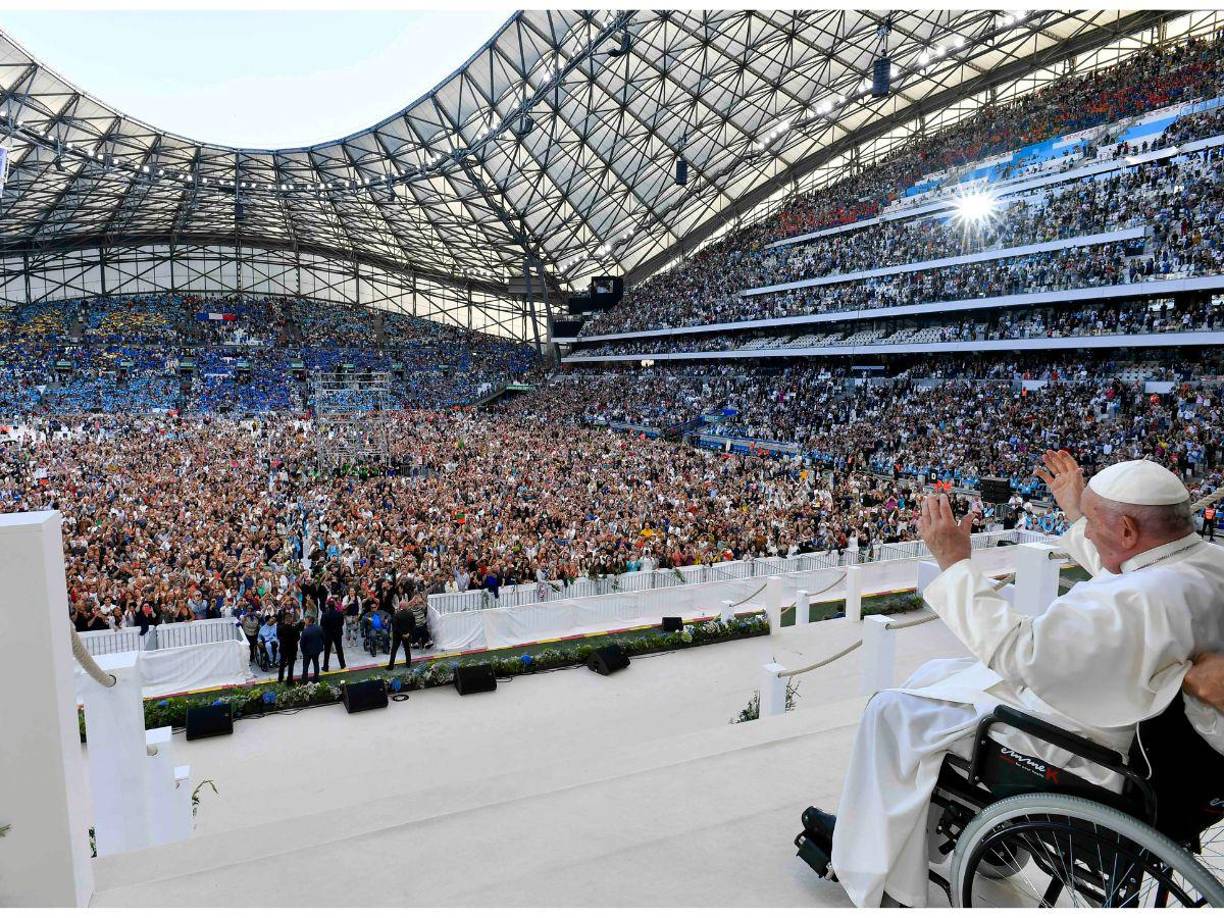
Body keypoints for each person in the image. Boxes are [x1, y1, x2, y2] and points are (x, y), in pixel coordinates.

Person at [806, 452, 1224, 908]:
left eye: (1093, 520)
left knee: (890, 709)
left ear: (1127, 530)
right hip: (1152, 744)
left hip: (1090, 747)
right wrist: (1074, 510)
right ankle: (893, 836)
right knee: (933, 676)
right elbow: (1121, 563)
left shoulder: (1136, 600)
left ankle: (879, 872)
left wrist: (955, 564)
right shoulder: (1202, 564)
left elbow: (1018, 651)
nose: (1086, 529)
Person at [388, 593, 416, 671]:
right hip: (407, 635)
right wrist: (408, 633)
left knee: (394, 650)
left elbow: (395, 627)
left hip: (398, 635)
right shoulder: (411, 614)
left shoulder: (397, 615)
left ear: (400, 606)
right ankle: (408, 664)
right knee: (407, 649)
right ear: (406, 606)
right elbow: (413, 625)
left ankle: (391, 666)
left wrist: (402, 634)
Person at [276, 611, 302, 686]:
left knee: (282, 664)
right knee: (291, 665)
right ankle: (289, 681)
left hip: (283, 648)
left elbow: (279, 637)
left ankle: (280, 680)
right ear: (290, 619)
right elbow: (298, 638)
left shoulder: (279, 627)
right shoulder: (294, 628)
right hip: (292, 649)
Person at [320, 599, 346, 672]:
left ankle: (325, 666)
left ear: (328, 606)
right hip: (337, 633)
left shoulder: (325, 615)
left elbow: (322, 624)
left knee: (327, 651)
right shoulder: (339, 613)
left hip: (328, 634)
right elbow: (342, 623)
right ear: (334, 606)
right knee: (339, 649)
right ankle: (342, 664)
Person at [299, 615, 324, 683]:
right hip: (316, 650)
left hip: (307, 652)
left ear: (309, 621)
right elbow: (323, 638)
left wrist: (303, 651)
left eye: (306, 620)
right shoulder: (319, 628)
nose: (305, 621)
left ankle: (304, 680)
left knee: (305, 666)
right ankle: (316, 678)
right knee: (316, 663)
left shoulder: (305, 631)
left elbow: (302, 643)